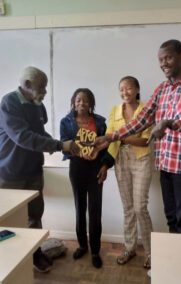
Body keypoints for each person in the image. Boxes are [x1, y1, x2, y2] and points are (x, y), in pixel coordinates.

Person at [94, 39, 181, 236]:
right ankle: (174, 263)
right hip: (166, 164)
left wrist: (170, 123)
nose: (163, 63)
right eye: (160, 59)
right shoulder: (162, 89)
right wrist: (110, 137)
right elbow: (141, 120)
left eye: (168, 57)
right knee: (172, 219)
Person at [0, 66, 79, 273]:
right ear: (27, 85)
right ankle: (8, 262)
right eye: (42, 87)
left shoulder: (37, 105)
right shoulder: (9, 102)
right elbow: (22, 137)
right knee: (6, 221)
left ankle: (35, 254)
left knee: (34, 216)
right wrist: (59, 146)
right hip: (8, 173)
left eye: (46, 87)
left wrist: (61, 144)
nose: (45, 91)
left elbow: (39, 132)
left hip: (33, 171)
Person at [60, 88, 112, 269]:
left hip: (96, 169)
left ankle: (96, 250)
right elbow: (64, 146)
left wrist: (105, 165)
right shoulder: (66, 122)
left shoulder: (100, 122)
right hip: (77, 168)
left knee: (95, 210)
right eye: (78, 100)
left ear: (91, 103)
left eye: (85, 100)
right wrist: (81, 152)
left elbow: (108, 147)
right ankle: (82, 245)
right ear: (73, 102)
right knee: (79, 208)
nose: (81, 103)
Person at [106, 76, 153, 269]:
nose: (125, 92)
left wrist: (122, 137)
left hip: (141, 158)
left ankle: (151, 252)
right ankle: (130, 247)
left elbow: (146, 140)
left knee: (140, 207)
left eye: (129, 88)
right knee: (128, 208)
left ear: (137, 90)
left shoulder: (146, 110)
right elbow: (110, 136)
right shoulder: (115, 110)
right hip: (121, 160)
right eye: (121, 89)